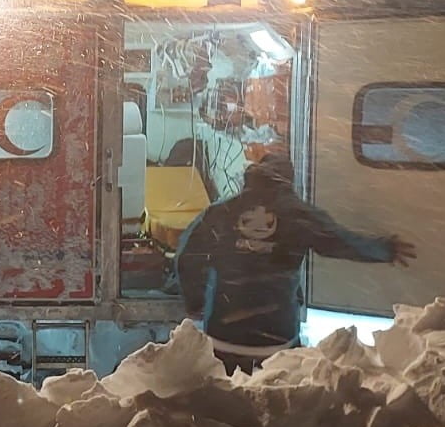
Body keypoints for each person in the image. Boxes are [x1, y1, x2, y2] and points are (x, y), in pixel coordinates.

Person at [175, 153, 416, 374]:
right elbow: (340, 241)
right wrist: (384, 249)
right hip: (276, 340)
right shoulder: (299, 216)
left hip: (222, 338)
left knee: (223, 404)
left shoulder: (220, 213)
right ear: (287, 182)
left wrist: (195, 302)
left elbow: (187, 255)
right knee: (276, 401)